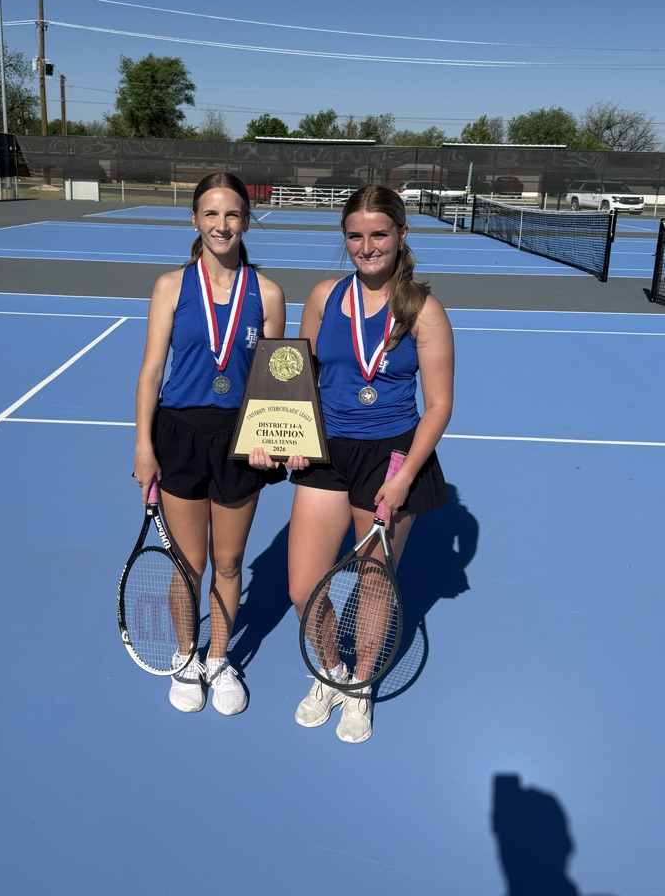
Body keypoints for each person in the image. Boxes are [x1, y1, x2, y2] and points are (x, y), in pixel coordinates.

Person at [284, 184, 453, 743]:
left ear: (401, 235)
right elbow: (296, 377)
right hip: (327, 453)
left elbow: (439, 405)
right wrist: (280, 432)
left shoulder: (424, 310)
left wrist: (403, 478)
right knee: (305, 589)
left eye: (379, 233)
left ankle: (360, 685)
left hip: (392, 456)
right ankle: (330, 669)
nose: (367, 245)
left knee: (375, 583)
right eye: (355, 235)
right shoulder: (323, 296)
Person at [133, 172, 286, 717]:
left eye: (233, 215)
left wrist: (272, 438)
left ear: (247, 220)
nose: (222, 225)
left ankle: (218, 659)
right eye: (211, 214)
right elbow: (152, 372)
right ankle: (184, 656)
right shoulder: (170, 286)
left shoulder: (267, 293)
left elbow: (276, 384)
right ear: (194, 219)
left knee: (228, 560)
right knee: (185, 562)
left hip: (240, 440)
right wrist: (144, 446)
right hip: (177, 434)